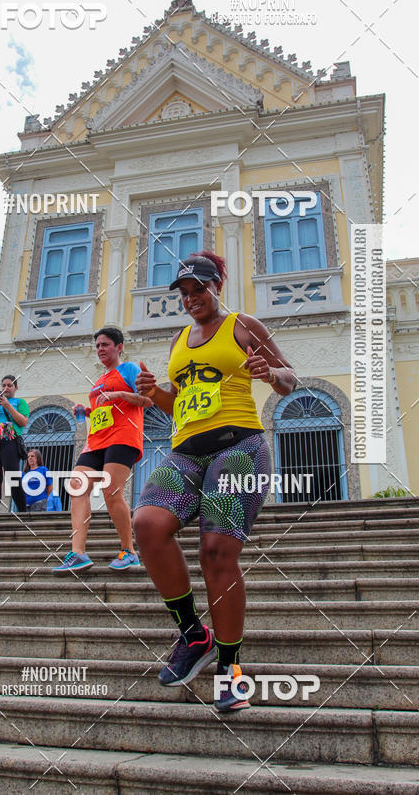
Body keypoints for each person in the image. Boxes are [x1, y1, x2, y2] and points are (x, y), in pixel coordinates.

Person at [133, 252, 296, 712]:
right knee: (147, 524)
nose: (191, 299)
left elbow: (289, 377)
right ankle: (193, 634)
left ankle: (230, 671)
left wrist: (271, 374)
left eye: (198, 290)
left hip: (239, 447)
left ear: (216, 286)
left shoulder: (242, 325)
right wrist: (154, 394)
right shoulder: (179, 340)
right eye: (184, 293)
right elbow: (180, 405)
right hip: (186, 450)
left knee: (216, 552)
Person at [53, 327, 153, 572]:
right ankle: (78, 553)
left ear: (119, 347)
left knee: (111, 490)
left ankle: (128, 551)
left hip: (123, 436)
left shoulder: (128, 369)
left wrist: (119, 393)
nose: (100, 349)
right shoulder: (98, 381)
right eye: (97, 345)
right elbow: (104, 409)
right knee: (77, 487)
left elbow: (148, 400)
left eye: (105, 344)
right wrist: (87, 411)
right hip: (96, 440)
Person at [0, 374, 30, 513]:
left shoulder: (19, 403)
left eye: (9, 385)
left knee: (12, 475)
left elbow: (23, 422)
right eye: (3, 385)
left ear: (15, 387)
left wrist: (8, 406)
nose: (6, 388)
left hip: (9, 440)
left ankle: (22, 510)